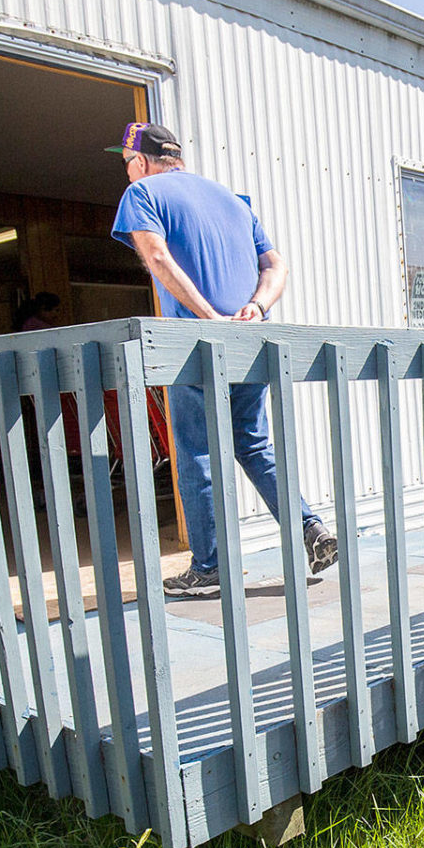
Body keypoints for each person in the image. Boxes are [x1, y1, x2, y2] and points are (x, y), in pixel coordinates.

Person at [109, 121, 338, 593]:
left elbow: (156, 257)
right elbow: (276, 264)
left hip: (197, 345)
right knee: (252, 444)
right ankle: (310, 527)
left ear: (141, 162)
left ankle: (210, 567)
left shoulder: (144, 194)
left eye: (128, 164)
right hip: (251, 340)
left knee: (197, 450)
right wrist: (257, 306)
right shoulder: (234, 202)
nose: (129, 173)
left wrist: (207, 314)